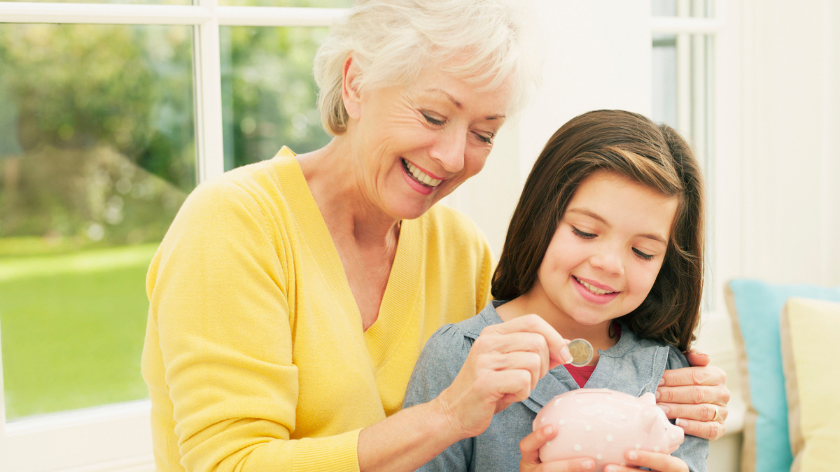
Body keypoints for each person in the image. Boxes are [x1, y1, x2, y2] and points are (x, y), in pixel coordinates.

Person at [140, 1, 730, 471]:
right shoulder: (234, 224)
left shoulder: (457, 249)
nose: (453, 156)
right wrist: (445, 416)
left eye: (484, 132)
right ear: (356, 82)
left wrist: (682, 391)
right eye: (432, 116)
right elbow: (229, 465)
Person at [404, 109, 710, 472]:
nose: (610, 264)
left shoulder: (670, 375)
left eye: (643, 252)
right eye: (585, 231)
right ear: (541, 217)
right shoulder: (460, 359)